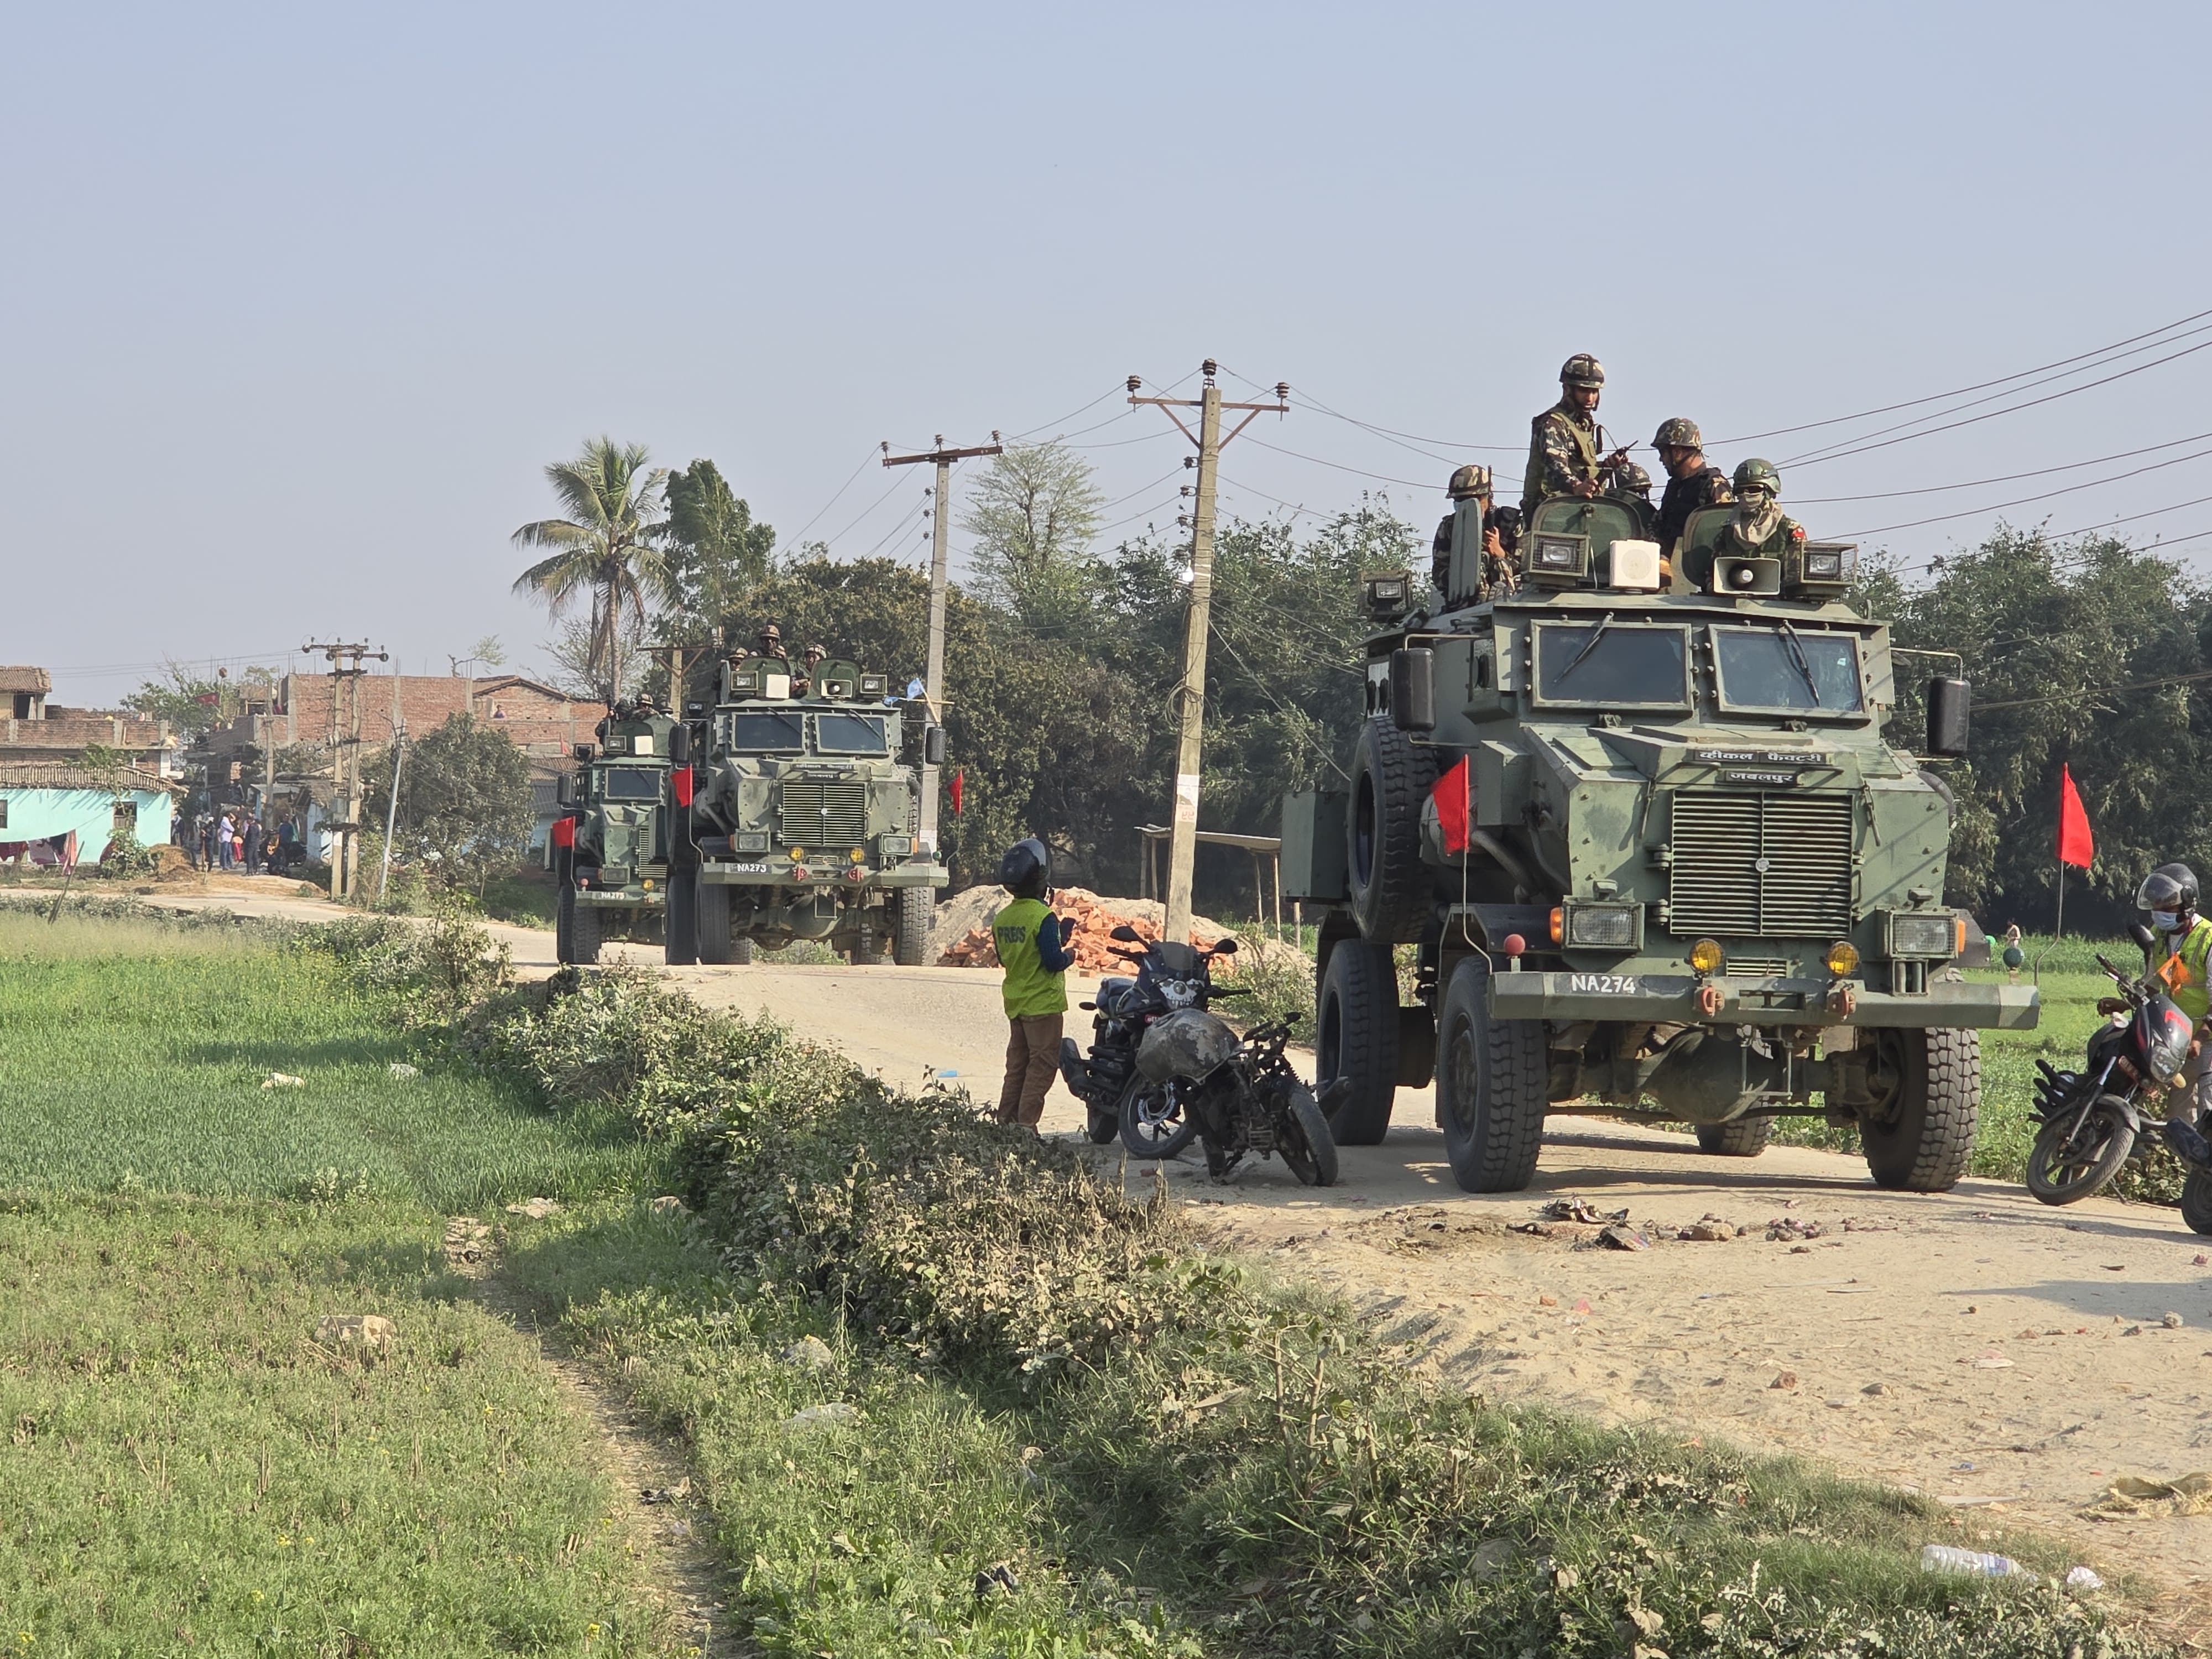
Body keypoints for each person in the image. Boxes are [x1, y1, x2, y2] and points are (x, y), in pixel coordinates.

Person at [992, 836, 1076, 1129]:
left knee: (1017, 1067)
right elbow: (1053, 961)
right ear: (1041, 882)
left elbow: (1009, 956)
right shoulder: (1044, 917)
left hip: (1017, 1005)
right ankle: (1026, 1128)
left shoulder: (1003, 919)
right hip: (1043, 1005)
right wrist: (1070, 954)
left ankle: (1005, 1123)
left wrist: (1056, 940)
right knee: (1041, 1067)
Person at [2137, 864, 2212, 1167]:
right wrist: (2127, 1001)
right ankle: (2188, 1177)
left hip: (2206, 1042)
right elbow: (2155, 982)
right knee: (2178, 1119)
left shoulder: (2208, 939)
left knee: (2208, 1111)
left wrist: (2201, 1037)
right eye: (2156, 905)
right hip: (2176, 1038)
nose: (2160, 912)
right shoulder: (2160, 935)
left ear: (2187, 904)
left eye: (2167, 906)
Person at [1520, 353, 1627, 517]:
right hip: (1549, 512)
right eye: (1583, 390)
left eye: (1594, 391)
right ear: (1568, 389)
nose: (1590, 398)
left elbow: (1581, 472)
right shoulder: (1552, 423)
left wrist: (1607, 467)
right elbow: (1556, 467)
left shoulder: (1583, 426)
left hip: (1576, 510)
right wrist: (1576, 486)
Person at [1689, 457, 1804, 589]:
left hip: (1777, 599)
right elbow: (1714, 573)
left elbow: (1800, 574)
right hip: (1730, 599)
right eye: (1740, 490)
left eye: (1754, 489)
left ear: (1769, 490)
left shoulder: (1789, 530)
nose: (1745, 495)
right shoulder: (1728, 531)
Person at [1650, 417, 1734, 561]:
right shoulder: (1674, 485)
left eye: (1662, 452)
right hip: (1666, 566)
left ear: (1677, 452)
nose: (1661, 459)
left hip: (1698, 569)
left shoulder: (1714, 485)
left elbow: (1722, 538)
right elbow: (1657, 527)